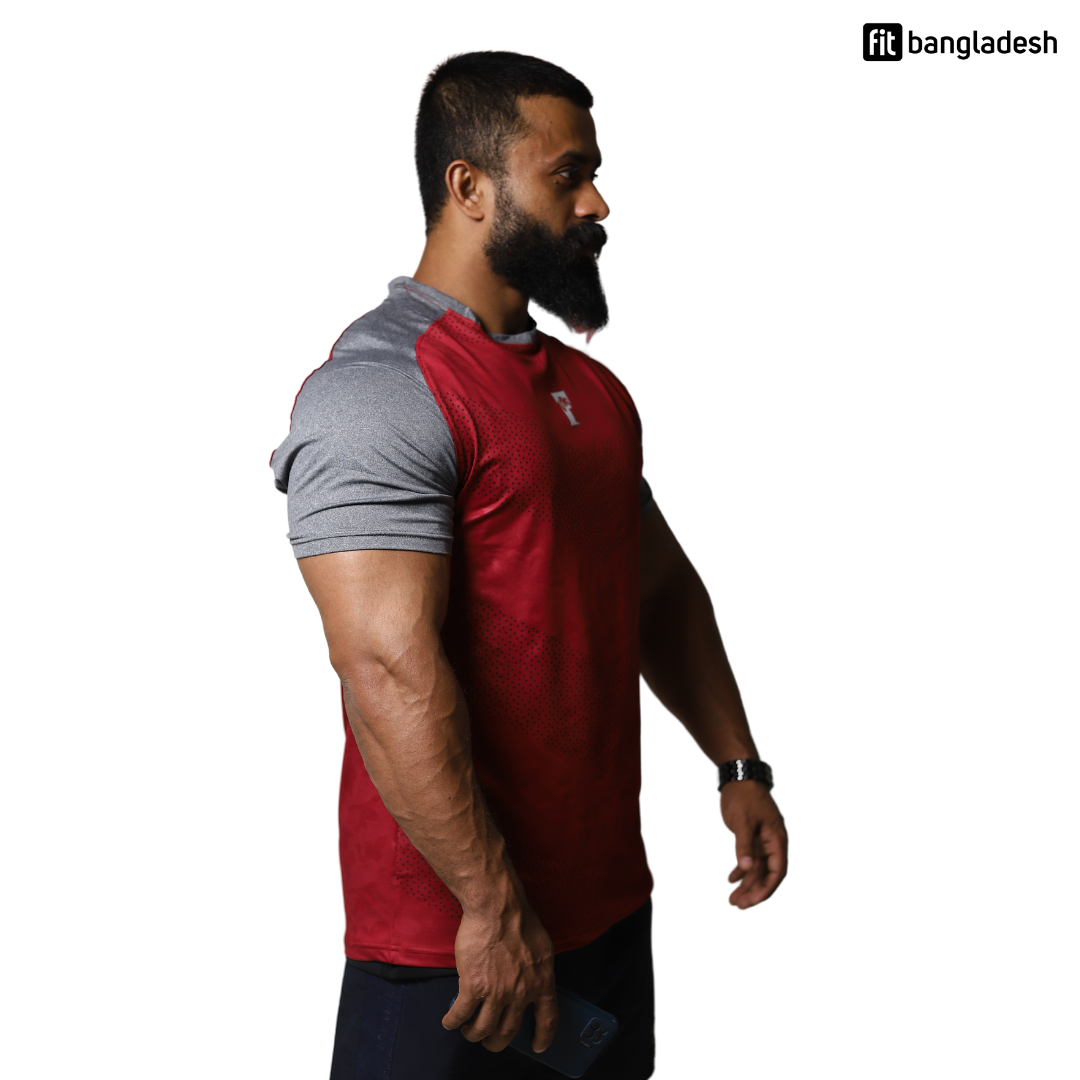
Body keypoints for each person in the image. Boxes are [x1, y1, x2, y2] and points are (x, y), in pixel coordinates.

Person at [270, 50, 788, 1080]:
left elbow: (657, 590)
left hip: (605, 915)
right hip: (453, 950)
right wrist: (489, 903)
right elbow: (386, 670)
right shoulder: (380, 389)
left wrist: (737, 764)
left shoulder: (592, 393)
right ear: (469, 186)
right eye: (568, 174)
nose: (597, 203)